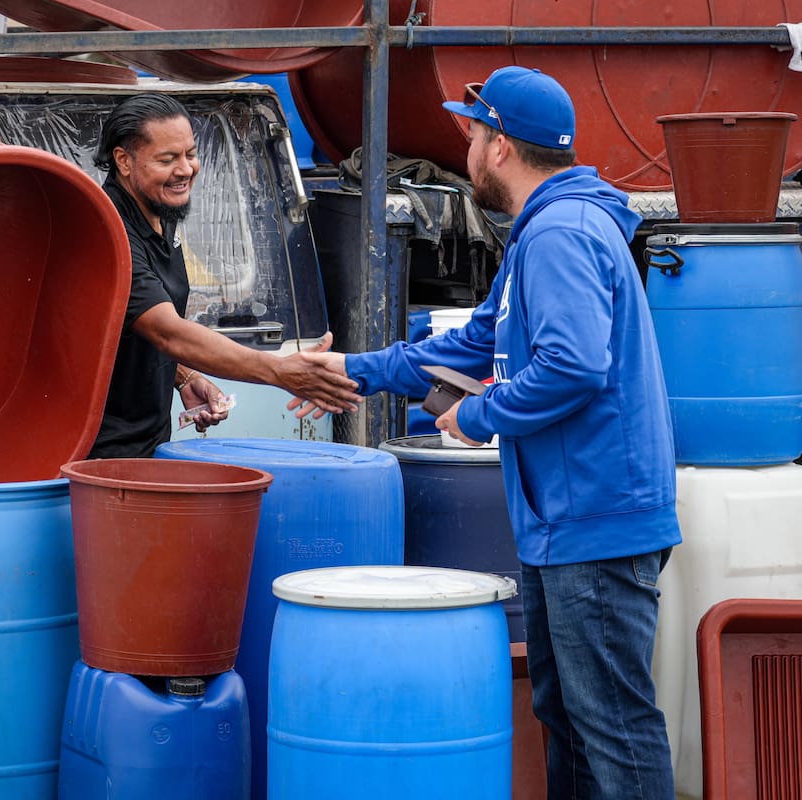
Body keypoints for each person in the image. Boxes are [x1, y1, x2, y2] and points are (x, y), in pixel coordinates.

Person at [291, 66, 681, 799]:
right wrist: (351, 370)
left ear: (498, 145)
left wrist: (476, 417)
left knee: (613, 728)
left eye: (470, 133)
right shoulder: (543, 228)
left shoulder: (562, 232)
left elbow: (574, 366)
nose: (463, 148)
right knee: (566, 717)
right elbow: (474, 343)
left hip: (595, 521)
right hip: (563, 521)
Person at [88, 93, 361, 459]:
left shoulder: (160, 213)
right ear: (123, 160)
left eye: (190, 154)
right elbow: (165, 330)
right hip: (100, 457)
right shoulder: (110, 233)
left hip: (149, 445)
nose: (186, 169)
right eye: (167, 160)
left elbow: (130, 326)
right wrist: (280, 372)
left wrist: (185, 376)